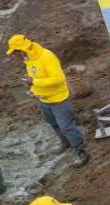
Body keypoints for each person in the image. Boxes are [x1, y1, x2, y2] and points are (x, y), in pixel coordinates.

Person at [6, 34, 89, 166]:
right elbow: (37, 77)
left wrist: (34, 81)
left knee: (67, 127)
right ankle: (65, 142)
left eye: (14, 53)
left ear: (20, 50)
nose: (14, 56)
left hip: (58, 99)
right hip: (43, 99)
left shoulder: (46, 56)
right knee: (53, 123)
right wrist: (33, 90)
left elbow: (59, 78)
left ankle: (81, 152)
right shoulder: (29, 58)